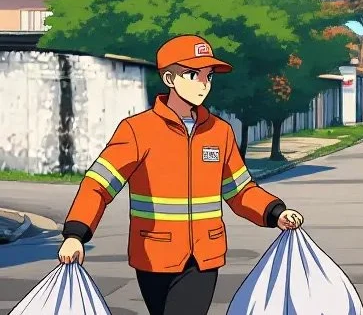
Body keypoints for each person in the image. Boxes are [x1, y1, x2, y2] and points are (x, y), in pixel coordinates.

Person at [57, 34, 305, 315]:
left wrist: (275, 213)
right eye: (192, 74)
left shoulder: (220, 132)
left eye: (209, 76)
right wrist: (76, 233)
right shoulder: (137, 130)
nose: (204, 84)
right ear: (169, 79)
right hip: (153, 255)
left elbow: (241, 191)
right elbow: (98, 185)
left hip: (203, 257)